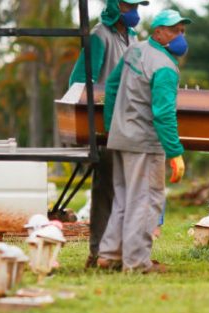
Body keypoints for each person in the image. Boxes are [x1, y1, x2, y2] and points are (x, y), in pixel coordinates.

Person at [97, 9, 191, 274]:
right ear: (158, 32)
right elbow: (163, 113)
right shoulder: (165, 67)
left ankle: (110, 254)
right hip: (144, 142)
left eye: (182, 31)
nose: (180, 36)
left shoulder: (134, 51)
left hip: (122, 137)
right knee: (147, 199)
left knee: (125, 198)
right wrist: (175, 151)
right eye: (174, 30)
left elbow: (112, 86)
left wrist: (110, 126)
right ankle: (137, 262)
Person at [68, 0, 149, 270]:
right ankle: (98, 252)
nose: (134, 11)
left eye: (137, 6)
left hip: (130, 122)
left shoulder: (134, 36)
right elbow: (80, 82)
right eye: (129, 6)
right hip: (106, 124)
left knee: (126, 190)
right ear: (115, 5)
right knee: (106, 189)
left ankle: (121, 251)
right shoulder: (98, 36)